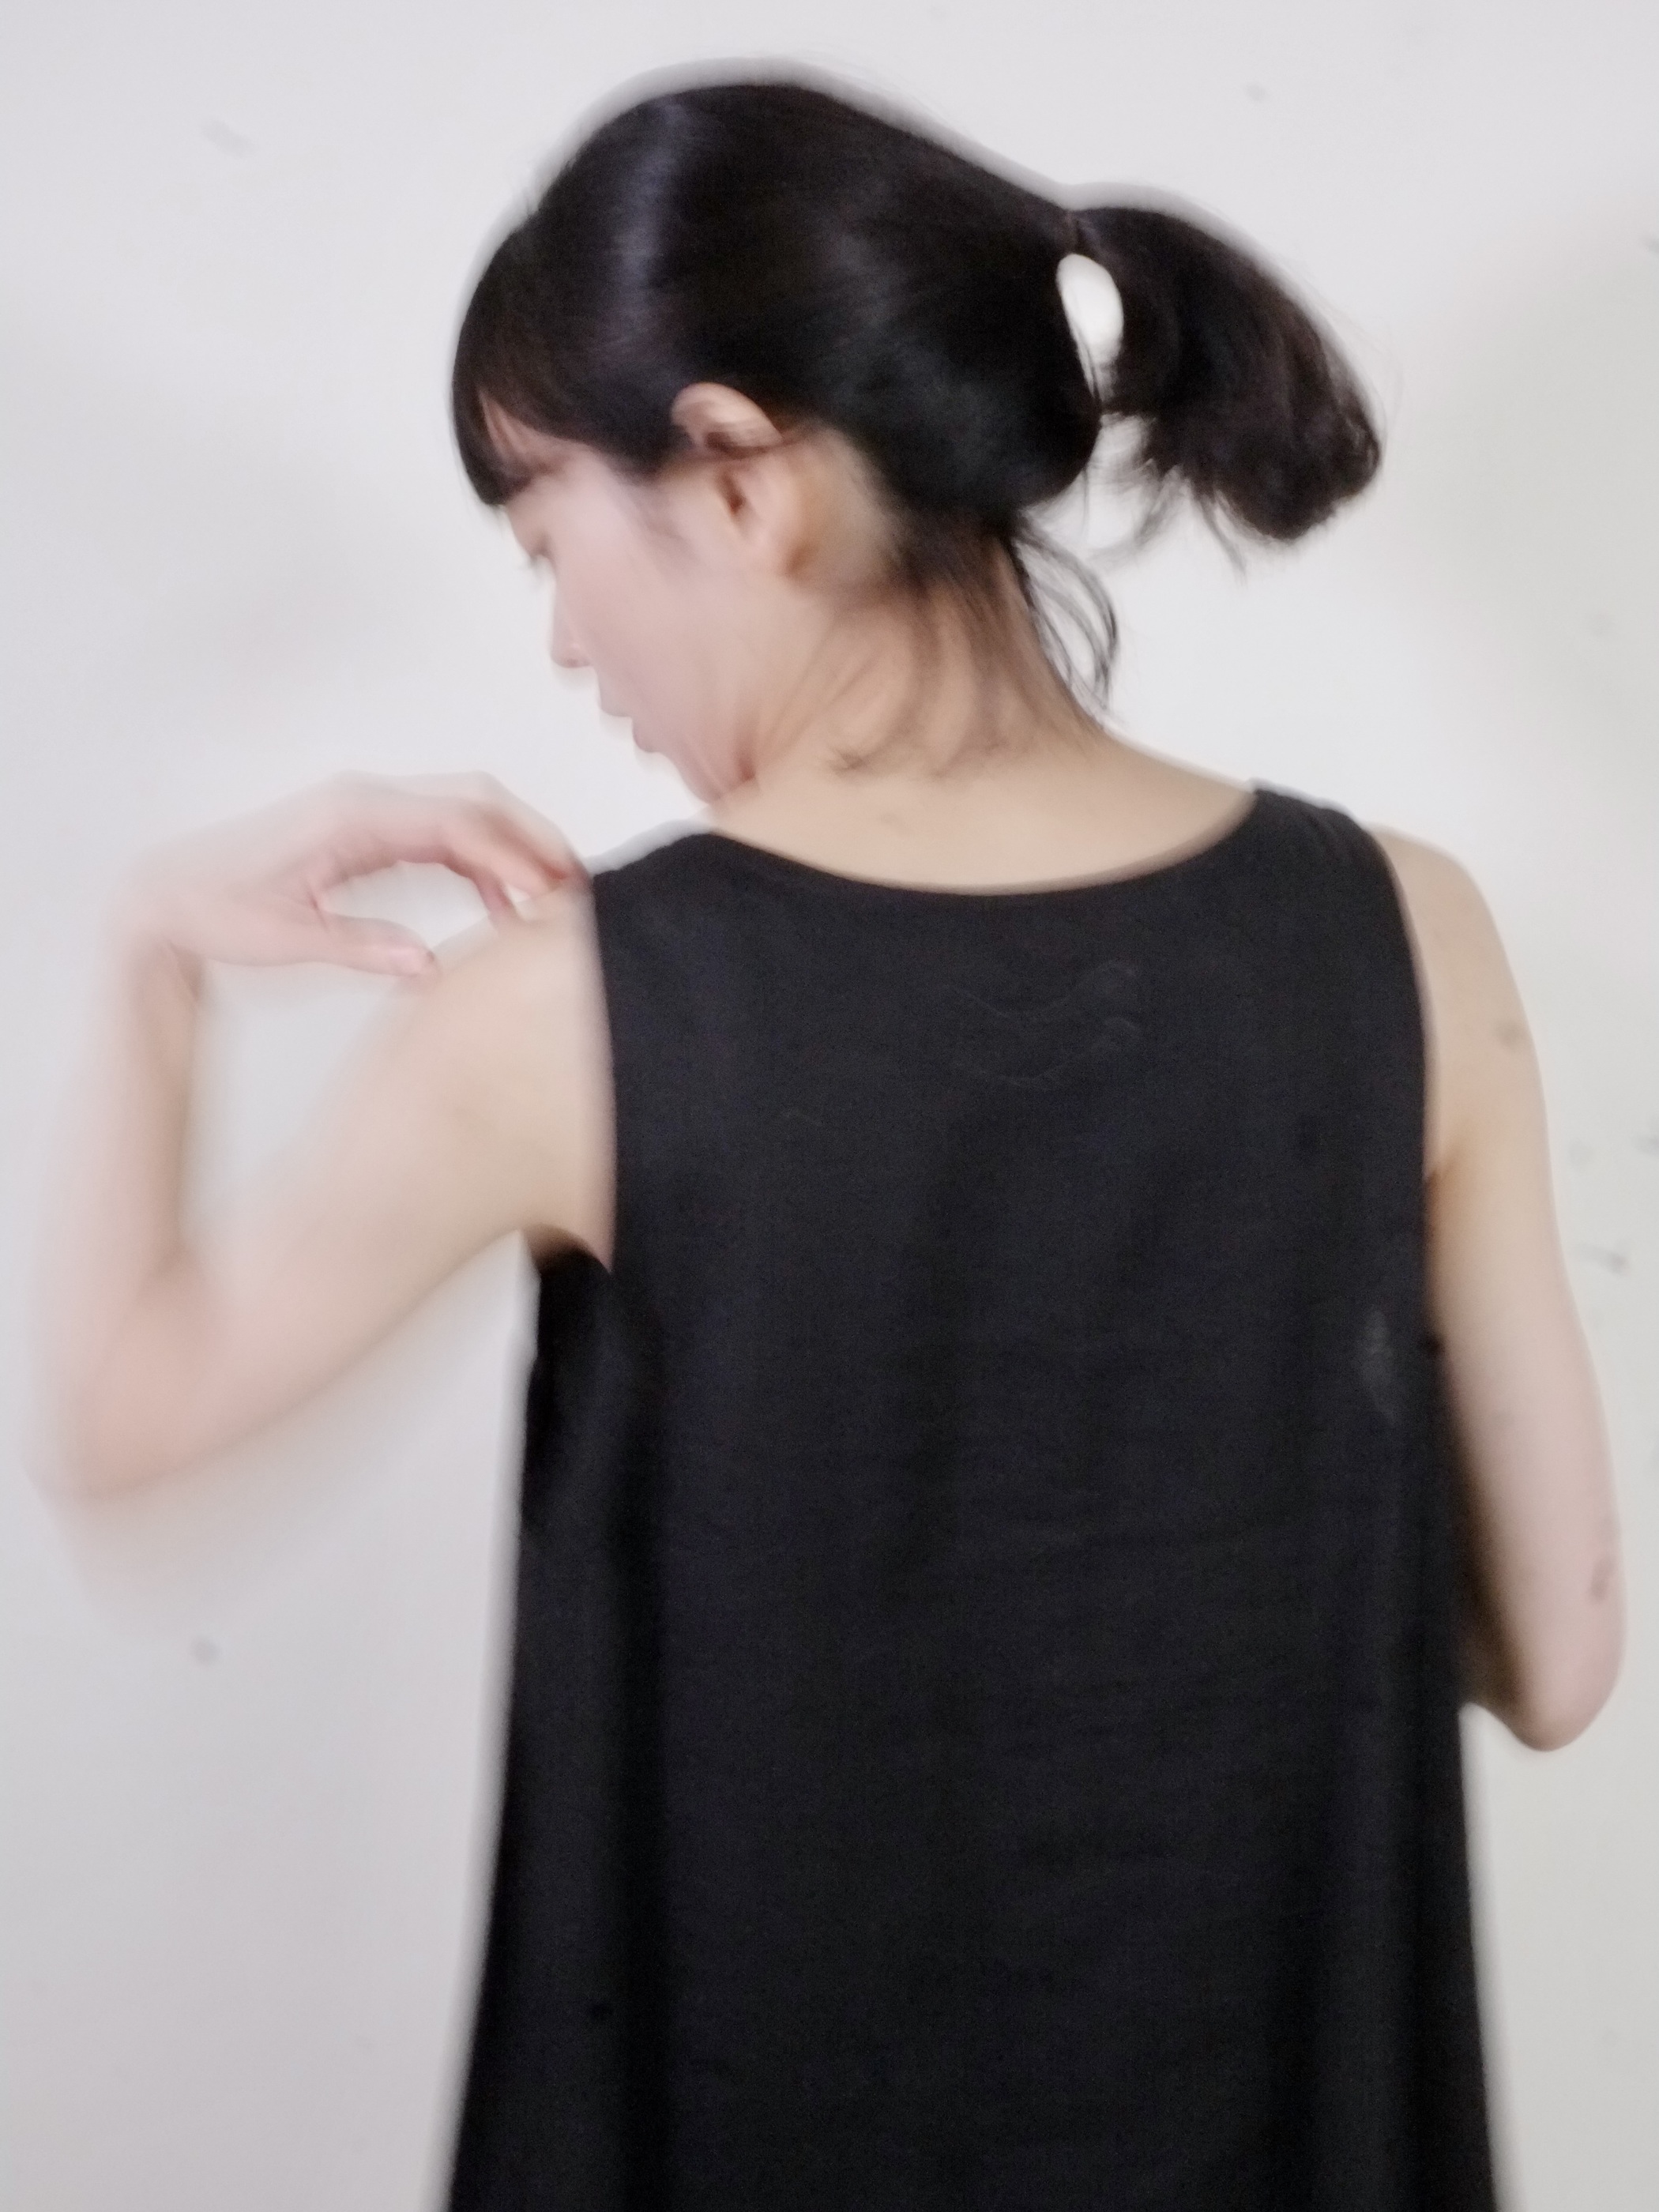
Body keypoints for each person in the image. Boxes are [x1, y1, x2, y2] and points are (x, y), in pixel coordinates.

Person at [39, 70, 1622, 2212]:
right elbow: (1554, 1656)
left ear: (736, 478)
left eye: (551, 541)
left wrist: (149, 953)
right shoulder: (1405, 933)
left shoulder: (574, 1015)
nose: (564, 637)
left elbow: (125, 1423)